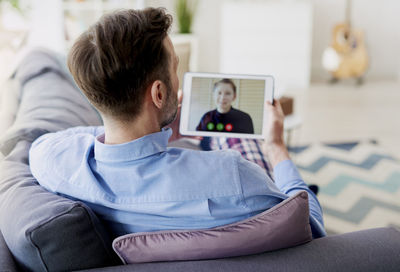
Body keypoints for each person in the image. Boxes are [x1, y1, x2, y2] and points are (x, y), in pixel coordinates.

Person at [29, 8, 325, 238]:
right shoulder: (232, 175)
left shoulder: (50, 157)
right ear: (158, 92)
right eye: (174, 67)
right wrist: (276, 147)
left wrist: (159, 129)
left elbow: (86, 139)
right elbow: (309, 225)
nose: (177, 77)